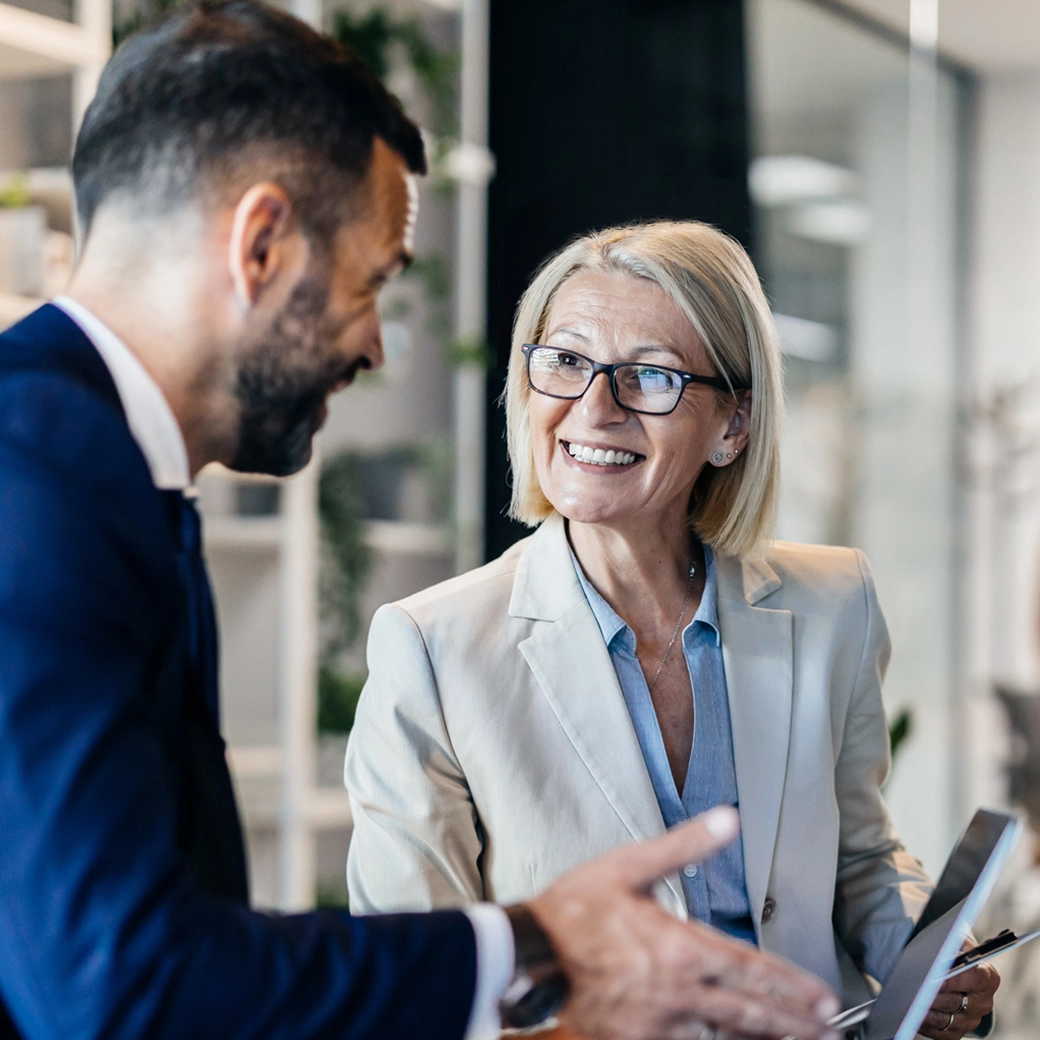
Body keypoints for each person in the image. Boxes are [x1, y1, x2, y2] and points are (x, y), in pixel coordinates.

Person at [0, 5, 848, 1040]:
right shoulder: (40, 478)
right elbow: (119, 981)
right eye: (371, 285)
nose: (374, 349)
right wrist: (533, 943)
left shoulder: (93, 467)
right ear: (260, 243)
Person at [345, 220, 1001, 1039]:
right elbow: (414, 973)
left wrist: (919, 950)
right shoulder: (433, 648)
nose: (593, 408)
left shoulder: (836, 602)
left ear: (734, 426)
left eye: (648, 376)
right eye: (566, 362)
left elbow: (859, 856)